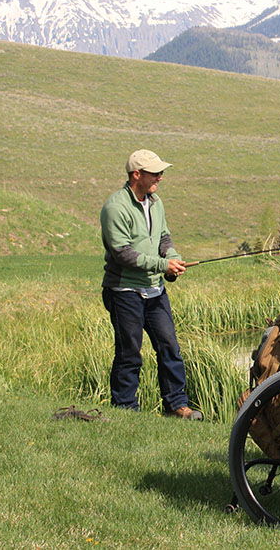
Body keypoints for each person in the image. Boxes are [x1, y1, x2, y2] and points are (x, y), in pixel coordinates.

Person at [100, 149, 202, 420]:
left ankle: (177, 406)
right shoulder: (115, 207)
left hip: (155, 289)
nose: (160, 177)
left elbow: (164, 238)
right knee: (129, 352)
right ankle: (125, 409)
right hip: (123, 291)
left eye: (161, 172)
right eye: (155, 173)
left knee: (170, 347)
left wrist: (173, 259)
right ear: (137, 174)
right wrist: (162, 265)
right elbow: (122, 254)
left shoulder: (156, 203)